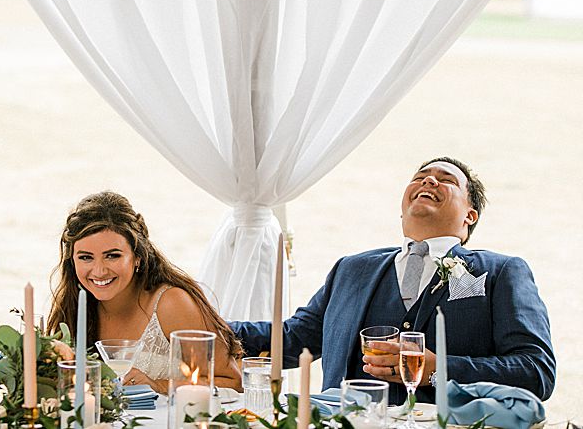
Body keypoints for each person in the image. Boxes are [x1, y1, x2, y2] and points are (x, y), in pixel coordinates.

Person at [231, 157, 555, 403]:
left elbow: (536, 371)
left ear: (470, 216)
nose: (429, 180)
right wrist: (209, 326)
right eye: (420, 177)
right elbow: (291, 338)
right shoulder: (351, 270)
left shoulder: (501, 272)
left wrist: (437, 369)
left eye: (446, 180)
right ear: (402, 209)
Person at [47, 192, 243, 392]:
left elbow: (233, 382)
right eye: (86, 257)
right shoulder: (75, 305)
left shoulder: (171, 304)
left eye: (112, 256)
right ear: (72, 261)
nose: (99, 271)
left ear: (137, 257)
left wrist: (157, 385)